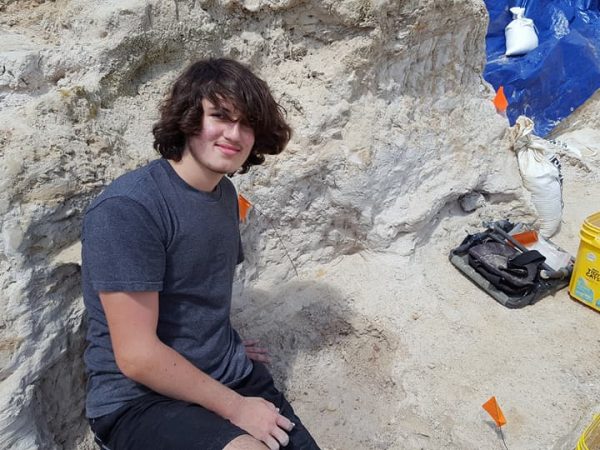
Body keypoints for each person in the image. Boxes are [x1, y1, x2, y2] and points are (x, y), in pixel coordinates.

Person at [81, 58, 320, 450]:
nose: (234, 134)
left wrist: (222, 344)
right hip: (139, 400)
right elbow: (137, 356)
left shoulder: (225, 195)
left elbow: (198, 294)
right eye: (220, 116)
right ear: (189, 117)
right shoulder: (129, 208)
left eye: (247, 124)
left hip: (224, 373)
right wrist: (237, 409)